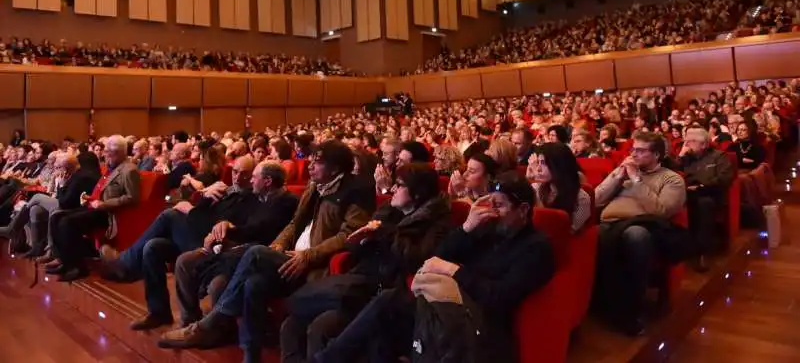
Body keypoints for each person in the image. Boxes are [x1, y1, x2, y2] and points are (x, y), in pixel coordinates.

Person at [157, 140, 374, 362]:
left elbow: (347, 236)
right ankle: (250, 355)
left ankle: (209, 323)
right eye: (310, 161)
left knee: (254, 253)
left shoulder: (355, 191)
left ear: (335, 168)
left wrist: (308, 255)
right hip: (288, 256)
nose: (310, 166)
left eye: (317, 163)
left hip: (313, 265)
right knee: (253, 284)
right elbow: (294, 225)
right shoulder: (314, 187)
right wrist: (279, 245)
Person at [313, 173, 555, 363]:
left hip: (476, 326)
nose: (493, 212)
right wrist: (467, 227)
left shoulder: (536, 248)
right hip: (444, 308)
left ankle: (325, 360)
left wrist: (455, 271)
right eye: (491, 205)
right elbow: (439, 256)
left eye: (500, 206)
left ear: (523, 210)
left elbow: (500, 298)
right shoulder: (488, 228)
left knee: (387, 306)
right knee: (383, 321)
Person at [280, 163, 451, 363]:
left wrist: (387, 233)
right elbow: (354, 252)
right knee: (291, 325)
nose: (393, 189)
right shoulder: (389, 210)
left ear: (417, 193)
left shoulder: (436, 221)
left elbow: (417, 259)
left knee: (320, 327)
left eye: (400, 185)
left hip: (387, 291)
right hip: (361, 281)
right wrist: (361, 240)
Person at [100, 156, 257, 330]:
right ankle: (158, 313)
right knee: (152, 247)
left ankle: (125, 263)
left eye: (244, 174)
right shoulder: (225, 191)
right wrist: (206, 195)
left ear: (252, 176)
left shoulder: (252, 200)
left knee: (170, 215)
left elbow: (213, 226)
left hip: (214, 247)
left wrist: (189, 210)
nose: (237, 177)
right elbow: (202, 213)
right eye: (235, 171)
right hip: (195, 237)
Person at [172, 162, 299, 329]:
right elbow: (241, 223)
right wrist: (221, 229)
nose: (251, 181)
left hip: (255, 255)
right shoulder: (259, 197)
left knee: (218, 283)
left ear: (267, 181)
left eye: (253, 177)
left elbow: (261, 232)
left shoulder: (286, 202)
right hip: (233, 246)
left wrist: (229, 231)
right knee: (184, 261)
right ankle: (190, 319)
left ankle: (217, 330)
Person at [593, 131, 687, 336]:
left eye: (641, 151)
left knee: (636, 236)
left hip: (646, 226)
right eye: (633, 149)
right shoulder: (623, 172)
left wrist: (637, 180)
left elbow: (661, 210)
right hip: (610, 224)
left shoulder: (671, 179)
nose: (634, 154)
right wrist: (617, 177)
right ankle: (602, 302)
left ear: (657, 155)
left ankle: (631, 309)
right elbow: (597, 200)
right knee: (590, 236)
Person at [45, 135, 140, 281]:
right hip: (96, 208)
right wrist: (91, 199)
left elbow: (132, 198)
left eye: (108, 152)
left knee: (68, 223)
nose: (105, 155)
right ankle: (65, 261)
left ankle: (78, 267)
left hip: (109, 214)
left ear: (118, 153)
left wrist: (104, 204)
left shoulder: (129, 170)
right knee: (57, 217)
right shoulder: (112, 167)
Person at [674, 128, 734, 272]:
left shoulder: (719, 157)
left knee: (704, 204)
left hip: (710, 194)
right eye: (686, 140)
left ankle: (702, 252)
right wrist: (680, 156)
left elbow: (725, 178)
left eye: (692, 141)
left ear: (704, 144)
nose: (687, 144)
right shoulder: (686, 158)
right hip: (686, 194)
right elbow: (671, 173)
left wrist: (702, 185)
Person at [528, 143, 592, 233]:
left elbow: (566, 233)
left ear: (560, 165)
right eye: (537, 162)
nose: (538, 169)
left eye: (543, 163)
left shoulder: (581, 198)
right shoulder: (536, 188)